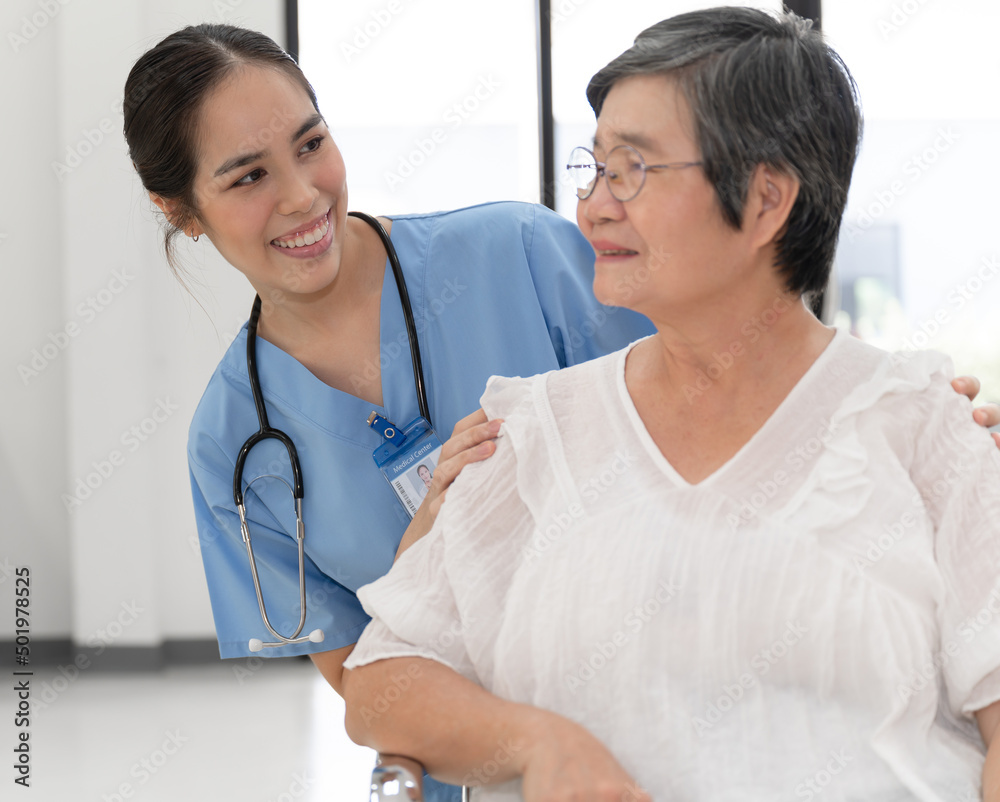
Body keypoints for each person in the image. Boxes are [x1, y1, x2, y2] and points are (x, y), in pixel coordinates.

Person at [341, 8, 1000, 801]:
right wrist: (539, 747)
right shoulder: (531, 436)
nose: (594, 207)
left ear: (765, 201)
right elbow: (383, 681)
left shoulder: (926, 431)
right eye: (595, 167)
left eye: (633, 169)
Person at [123, 22, 656, 802]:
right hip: (478, 773)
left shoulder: (523, 254)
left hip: (663, 704)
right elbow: (369, 687)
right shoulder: (234, 446)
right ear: (181, 210)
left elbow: (688, 435)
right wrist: (426, 553)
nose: (303, 196)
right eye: (248, 177)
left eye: (311, 145)